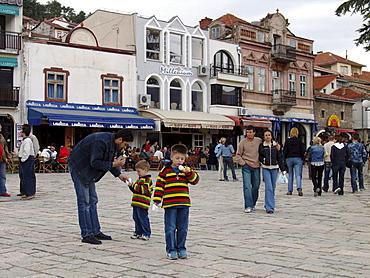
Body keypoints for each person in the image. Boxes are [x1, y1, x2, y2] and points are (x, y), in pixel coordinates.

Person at [68, 129, 133, 244]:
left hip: (88, 171)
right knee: (84, 202)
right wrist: (115, 164)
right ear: (119, 139)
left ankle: (95, 231)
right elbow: (96, 162)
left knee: (93, 200)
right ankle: (87, 234)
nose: (125, 147)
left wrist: (119, 174)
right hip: (80, 168)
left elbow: (106, 160)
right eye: (125, 144)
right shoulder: (101, 141)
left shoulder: (112, 143)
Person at [153, 144, 199, 260]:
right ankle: (171, 249)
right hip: (170, 204)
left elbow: (195, 181)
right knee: (170, 228)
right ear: (172, 157)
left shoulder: (186, 170)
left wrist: (189, 172)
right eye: (177, 158)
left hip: (184, 203)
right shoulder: (165, 171)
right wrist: (156, 200)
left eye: (182, 159)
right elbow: (159, 186)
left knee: (183, 228)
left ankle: (181, 248)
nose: (180, 161)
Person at [235, 125, 262, 213]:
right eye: (247, 132)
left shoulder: (259, 141)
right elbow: (238, 155)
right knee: (247, 186)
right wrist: (243, 163)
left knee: (256, 186)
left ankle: (253, 203)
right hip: (246, 166)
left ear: (254, 132)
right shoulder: (242, 142)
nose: (249, 134)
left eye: (250, 132)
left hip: (256, 166)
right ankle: (248, 205)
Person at [259, 130, 285, 213]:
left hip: (275, 168)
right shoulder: (262, 146)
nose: (267, 136)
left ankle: (268, 204)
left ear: (271, 136)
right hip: (265, 168)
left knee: (273, 187)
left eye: (269, 135)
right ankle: (270, 207)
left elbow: (280, 157)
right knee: (268, 187)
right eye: (266, 135)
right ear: (264, 137)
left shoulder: (275, 146)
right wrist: (263, 160)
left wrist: (283, 169)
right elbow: (259, 156)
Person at [128, 160, 153, 241]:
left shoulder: (147, 180)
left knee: (143, 218)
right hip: (136, 202)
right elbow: (135, 189)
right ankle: (138, 231)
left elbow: (142, 190)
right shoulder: (139, 179)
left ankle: (146, 232)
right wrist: (130, 185)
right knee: (136, 217)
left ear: (145, 170)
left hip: (143, 203)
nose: (137, 173)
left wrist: (133, 185)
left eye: (139, 171)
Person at [17, 124, 39, 197]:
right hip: (26, 159)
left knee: (27, 176)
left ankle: (29, 192)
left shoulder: (27, 140)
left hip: (27, 160)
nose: (20, 133)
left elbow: (26, 151)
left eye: (21, 131)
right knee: (25, 176)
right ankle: (26, 191)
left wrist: (23, 159)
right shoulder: (25, 140)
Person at [283, 127, 305, 196]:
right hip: (297, 158)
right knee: (298, 174)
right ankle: (299, 188)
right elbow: (303, 150)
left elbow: (285, 151)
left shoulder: (288, 141)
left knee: (290, 175)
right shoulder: (299, 141)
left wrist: (285, 158)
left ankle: (290, 190)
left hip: (289, 158)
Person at [0, 124, 11, 197]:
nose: (1, 127)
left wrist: (8, 156)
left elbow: (5, 147)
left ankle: (3, 191)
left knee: (2, 176)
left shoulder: (1, 136)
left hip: (2, 159)